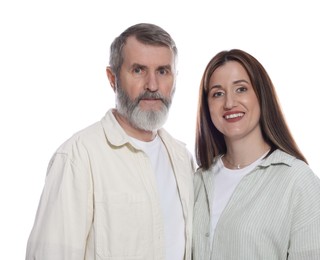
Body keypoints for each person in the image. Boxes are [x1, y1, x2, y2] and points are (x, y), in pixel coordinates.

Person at [26, 23, 195, 260]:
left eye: (163, 71)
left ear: (175, 79)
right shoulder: (79, 157)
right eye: (138, 70)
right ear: (112, 78)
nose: (153, 85)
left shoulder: (182, 159)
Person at [192, 49, 320, 259]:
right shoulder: (198, 181)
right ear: (207, 106)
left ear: (261, 96)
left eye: (241, 89)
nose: (229, 103)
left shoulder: (299, 184)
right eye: (217, 93)